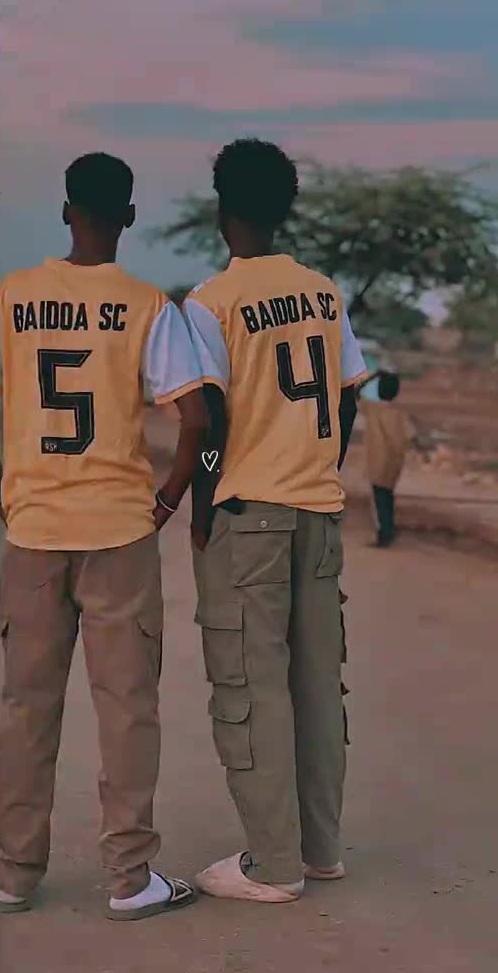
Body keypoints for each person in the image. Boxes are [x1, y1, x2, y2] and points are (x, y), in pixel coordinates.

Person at [0, 152, 208, 920]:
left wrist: (2, 488)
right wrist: (166, 503)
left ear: (66, 211)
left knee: (26, 707)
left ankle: (13, 874)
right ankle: (130, 879)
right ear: (129, 217)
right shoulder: (146, 306)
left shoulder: (13, 296)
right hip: (120, 534)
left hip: (34, 531)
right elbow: (197, 421)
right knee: (128, 708)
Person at [182, 138, 367, 904]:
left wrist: (202, 507)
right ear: (286, 208)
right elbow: (348, 396)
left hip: (249, 513)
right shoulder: (323, 293)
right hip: (318, 511)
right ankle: (321, 851)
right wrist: (318, 463)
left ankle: (274, 865)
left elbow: (208, 422)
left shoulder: (211, 302)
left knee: (253, 687)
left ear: (222, 211)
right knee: (318, 685)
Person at [357, 370, 416, 548]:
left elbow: (354, 393)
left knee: (379, 500)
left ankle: (384, 535)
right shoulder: (400, 414)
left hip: (376, 461)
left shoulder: (372, 408)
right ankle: (389, 531)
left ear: (378, 390)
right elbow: (412, 436)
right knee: (387, 496)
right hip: (394, 463)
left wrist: (373, 376)